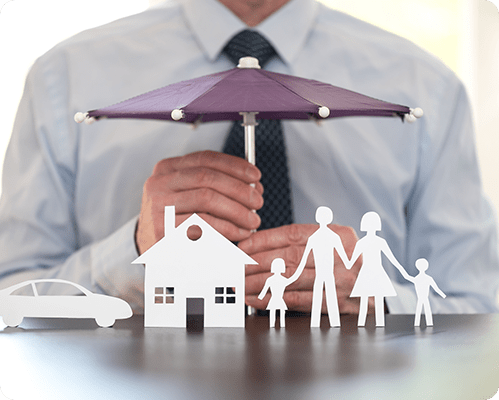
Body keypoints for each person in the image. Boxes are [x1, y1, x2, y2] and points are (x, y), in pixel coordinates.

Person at [0, 0, 498, 317]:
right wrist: (133, 251)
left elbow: (480, 307)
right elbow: (9, 304)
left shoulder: (425, 88)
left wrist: (383, 300)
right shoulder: (63, 78)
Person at [288, 206, 351, 327]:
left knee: (318, 300)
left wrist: (292, 277)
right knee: (327, 299)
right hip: (326, 275)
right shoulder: (332, 237)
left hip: (323, 275)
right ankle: (331, 323)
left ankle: (319, 324)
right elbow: (346, 260)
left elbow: (303, 262)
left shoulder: (315, 238)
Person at [348, 211, 410, 327]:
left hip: (370, 273)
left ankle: (363, 324)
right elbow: (392, 259)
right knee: (374, 299)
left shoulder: (362, 242)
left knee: (366, 300)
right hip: (373, 273)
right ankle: (375, 324)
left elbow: (349, 263)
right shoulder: (376, 242)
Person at [403, 258, 447, 326]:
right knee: (424, 311)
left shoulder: (418, 279)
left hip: (423, 298)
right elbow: (436, 288)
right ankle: (422, 323)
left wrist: (443, 295)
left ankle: (421, 323)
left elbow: (407, 277)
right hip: (421, 298)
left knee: (421, 311)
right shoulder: (424, 278)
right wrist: (442, 295)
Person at [258, 258, 293, 328]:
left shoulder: (282, 279)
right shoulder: (270, 280)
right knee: (273, 312)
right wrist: (260, 297)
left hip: (279, 299)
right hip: (274, 299)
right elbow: (264, 289)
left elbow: (291, 280)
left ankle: (281, 325)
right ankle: (272, 325)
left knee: (281, 312)